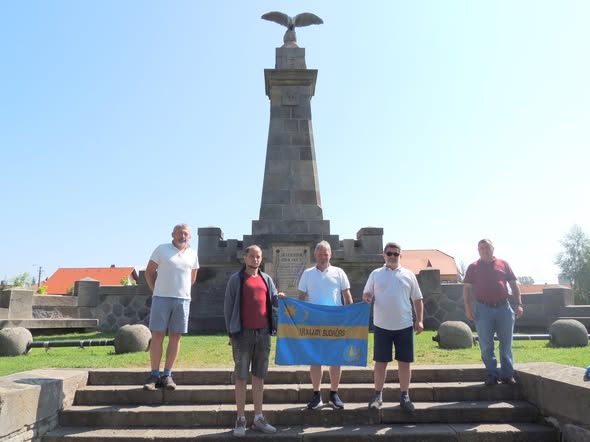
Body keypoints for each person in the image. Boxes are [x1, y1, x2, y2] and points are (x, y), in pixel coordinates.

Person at [224, 245, 284, 437]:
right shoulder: (236, 280)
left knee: (259, 376)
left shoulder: (266, 279)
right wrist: (231, 334)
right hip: (242, 334)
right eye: (252, 256)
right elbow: (228, 308)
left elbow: (274, 300)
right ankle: (240, 418)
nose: (255, 259)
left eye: (258, 256)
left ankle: (258, 418)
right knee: (241, 377)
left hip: (263, 333)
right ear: (245, 258)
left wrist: (279, 297)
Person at [362, 242, 424, 412]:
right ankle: (378, 396)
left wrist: (419, 320)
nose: (392, 256)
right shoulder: (375, 274)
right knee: (380, 362)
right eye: (389, 253)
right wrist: (367, 297)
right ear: (384, 255)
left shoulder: (409, 275)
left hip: (404, 325)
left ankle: (405, 396)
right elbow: (367, 293)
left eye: (396, 254)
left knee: (404, 362)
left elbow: (417, 299)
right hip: (381, 326)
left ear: (400, 256)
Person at [297, 240, 353, 410]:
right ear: (315, 255)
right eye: (320, 254)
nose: (323, 257)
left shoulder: (339, 272)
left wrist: (351, 317)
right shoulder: (307, 274)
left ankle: (334, 394)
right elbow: (301, 298)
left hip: (335, 322)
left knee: (336, 359)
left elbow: (347, 296)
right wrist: (299, 318)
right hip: (315, 323)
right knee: (315, 359)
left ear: (330, 255)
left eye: (326, 254)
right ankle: (316, 394)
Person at [143, 223, 199, 390]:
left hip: (182, 300)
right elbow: (149, 271)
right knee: (158, 335)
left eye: (186, 234)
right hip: (161, 298)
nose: (183, 236)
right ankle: (154, 374)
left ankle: (167, 374)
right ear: (172, 235)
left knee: (175, 337)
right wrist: (156, 290)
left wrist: (181, 290)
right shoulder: (162, 249)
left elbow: (192, 277)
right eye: (180, 233)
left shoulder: (193, 254)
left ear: (190, 236)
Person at [463, 239, 523, 386]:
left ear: (493, 249)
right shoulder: (473, 267)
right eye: (481, 248)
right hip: (483, 309)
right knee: (486, 345)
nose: (484, 250)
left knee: (506, 344)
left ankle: (507, 375)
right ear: (478, 250)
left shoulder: (503, 264)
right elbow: (467, 289)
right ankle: (492, 374)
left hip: (504, 308)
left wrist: (519, 304)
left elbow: (514, 285)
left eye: (487, 247)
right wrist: (468, 308)